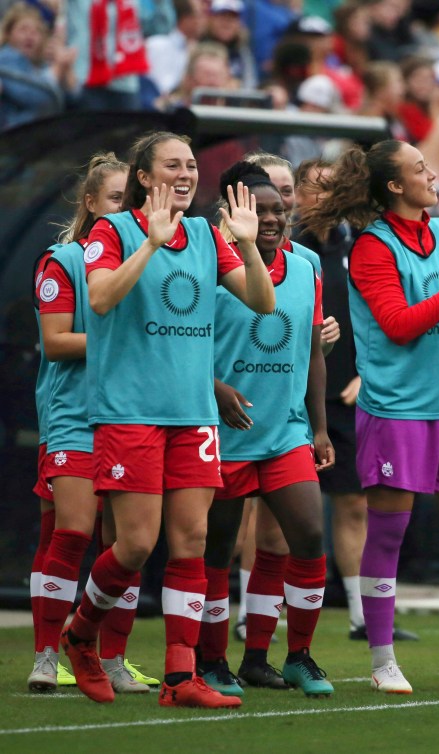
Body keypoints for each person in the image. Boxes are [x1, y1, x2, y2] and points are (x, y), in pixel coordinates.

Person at [60, 130, 275, 708]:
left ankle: (180, 678)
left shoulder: (208, 233)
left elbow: (263, 302)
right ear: (145, 176)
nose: (186, 173)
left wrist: (251, 247)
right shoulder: (112, 231)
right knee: (134, 545)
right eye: (172, 165)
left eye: (190, 165)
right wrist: (150, 245)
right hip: (130, 412)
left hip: (193, 414)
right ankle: (81, 634)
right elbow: (101, 298)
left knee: (193, 542)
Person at [301, 139, 439, 695]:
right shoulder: (371, 247)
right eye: (420, 168)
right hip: (396, 410)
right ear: (395, 186)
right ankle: (382, 658)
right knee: (387, 532)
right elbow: (398, 324)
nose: (432, 173)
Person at [198, 161, 334, 698]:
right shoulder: (206, 259)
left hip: (285, 430)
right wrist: (214, 388)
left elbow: (312, 352)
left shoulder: (308, 266)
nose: (275, 217)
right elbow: (180, 341)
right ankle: (211, 661)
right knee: (217, 551)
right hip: (224, 431)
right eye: (263, 209)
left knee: (309, 535)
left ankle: (289, 655)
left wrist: (319, 427)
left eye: (281, 208)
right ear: (235, 211)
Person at [30, 154, 157, 695]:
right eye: (113, 199)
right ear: (89, 205)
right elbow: (57, 343)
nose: (123, 210)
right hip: (76, 417)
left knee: (127, 542)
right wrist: (129, 346)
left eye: (130, 200)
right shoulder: (63, 261)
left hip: (134, 415)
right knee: (73, 530)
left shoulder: (158, 259)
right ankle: (44, 654)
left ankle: (112, 659)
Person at [292, 158, 419, 644]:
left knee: (352, 505)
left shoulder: (364, 245)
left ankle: (362, 616)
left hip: (349, 394)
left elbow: (389, 315)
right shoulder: (285, 249)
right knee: (268, 510)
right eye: (314, 188)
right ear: (297, 196)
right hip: (291, 394)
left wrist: (369, 373)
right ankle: (251, 611)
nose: (324, 197)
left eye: (333, 188)